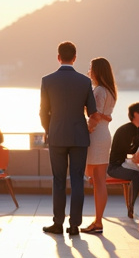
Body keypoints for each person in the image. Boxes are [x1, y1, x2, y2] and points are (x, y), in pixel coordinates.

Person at [40, 41, 97, 236]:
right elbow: (93, 112)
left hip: (56, 135)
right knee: (77, 180)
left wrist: (50, 128)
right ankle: (74, 225)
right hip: (79, 137)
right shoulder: (84, 81)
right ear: (75, 58)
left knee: (58, 180)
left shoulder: (47, 80)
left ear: (58, 57)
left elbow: (42, 112)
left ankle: (57, 223)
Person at [83, 57, 116, 234]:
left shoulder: (99, 91)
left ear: (97, 71)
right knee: (100, 180)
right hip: (105, 134)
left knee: (96, 180)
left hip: (96, 136)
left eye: (91, 68)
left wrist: (86, 129)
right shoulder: (110, 91)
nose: (89, 71)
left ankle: (97, 221)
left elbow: (94, 117)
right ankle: (98, 220)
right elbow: (104, 115)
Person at [107, 102, 139, 219]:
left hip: (130, 164)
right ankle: (131, 208)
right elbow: (129, 152)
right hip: (116, 167)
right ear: (135, 114)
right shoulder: (125, 130)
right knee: (138, 176)